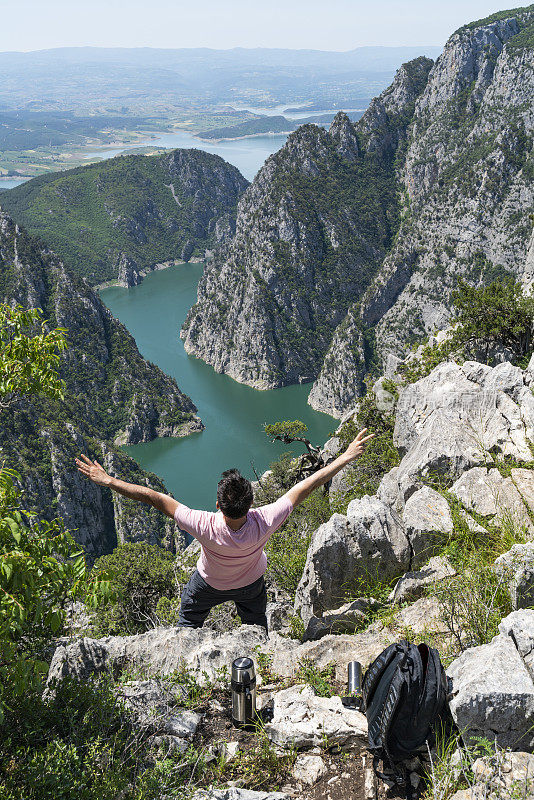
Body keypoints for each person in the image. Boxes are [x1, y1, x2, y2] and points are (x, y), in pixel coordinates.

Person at [75, 427, 373, 631]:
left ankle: (182, 655)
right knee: (256, 624)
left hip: (208, 584)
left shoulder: (202, 525)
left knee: (188, 621)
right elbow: (306, 486)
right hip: (250, 584)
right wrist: (345, 456)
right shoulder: (266, 520)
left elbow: (154, 497)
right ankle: (260, 652)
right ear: (251, 502)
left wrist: (110, 481)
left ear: (218, 505)